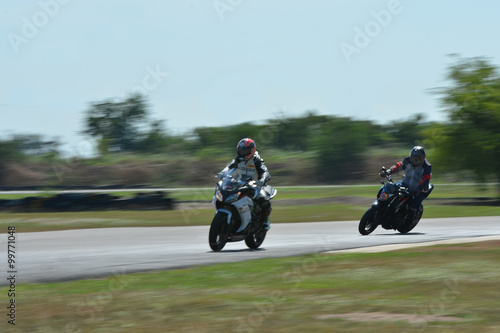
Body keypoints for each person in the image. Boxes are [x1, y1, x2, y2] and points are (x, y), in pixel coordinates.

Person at [219, 138, 272, 230]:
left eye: (245, 151)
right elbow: (229, 167)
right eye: (241, 150)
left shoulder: (257, 160)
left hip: (256, 185)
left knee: (263, 200)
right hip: (241, 184)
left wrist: (262, 180)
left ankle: (265, 221)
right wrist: (222, 173)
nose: (243, 153)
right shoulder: (238, 160)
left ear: (252, 150)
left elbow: (265, 172)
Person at [380, 146, 434, 222]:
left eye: (416, 158)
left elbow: (426, 179)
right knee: (388, 188)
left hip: (417, 189)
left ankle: (410, 220)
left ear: (421, 159)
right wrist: (388, 171)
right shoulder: (408, 160)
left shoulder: (426, 167)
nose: (413, 160)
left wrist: (419, 189)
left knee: (413, 205)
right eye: (412, 157)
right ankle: (382, 203)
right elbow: (398, 166)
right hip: (404, 183)